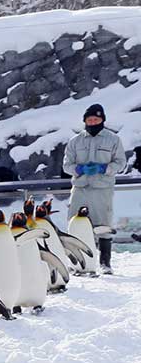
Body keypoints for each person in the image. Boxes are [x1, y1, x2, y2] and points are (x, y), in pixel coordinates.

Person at [62, 103, 127, 274]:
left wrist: (104, 168)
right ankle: (75, 261)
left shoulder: (113, 139)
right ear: (85, 121)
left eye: (96, 119)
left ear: (102, 120)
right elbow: (66, 165)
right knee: (75, 225)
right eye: (89, 119)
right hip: (80, 188)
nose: (92, 122)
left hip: (101, 189)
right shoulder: (75, 141)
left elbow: (120, 163)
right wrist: (79, 169)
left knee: (103, 225)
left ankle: (105, 263)